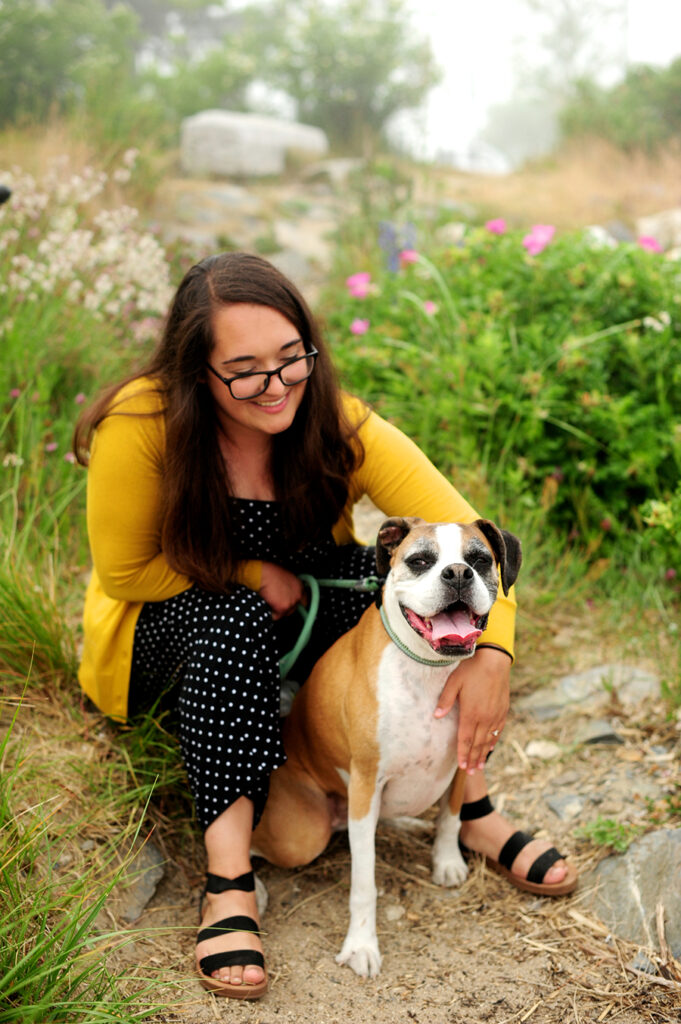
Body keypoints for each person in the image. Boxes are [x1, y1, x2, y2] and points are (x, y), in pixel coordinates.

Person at [73, 251, 576, 1001]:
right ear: (194, 370)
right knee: (231, 623)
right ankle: (229, 878)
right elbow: (126, 572)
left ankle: (468, 807)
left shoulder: (336, 421)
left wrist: (494, 652)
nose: (275, 386)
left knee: (417, 612)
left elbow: (462, 532)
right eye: (244, 369)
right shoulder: (142, 422)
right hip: (171, 620)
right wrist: (251, 573)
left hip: (300, 606)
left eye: (291, 359)